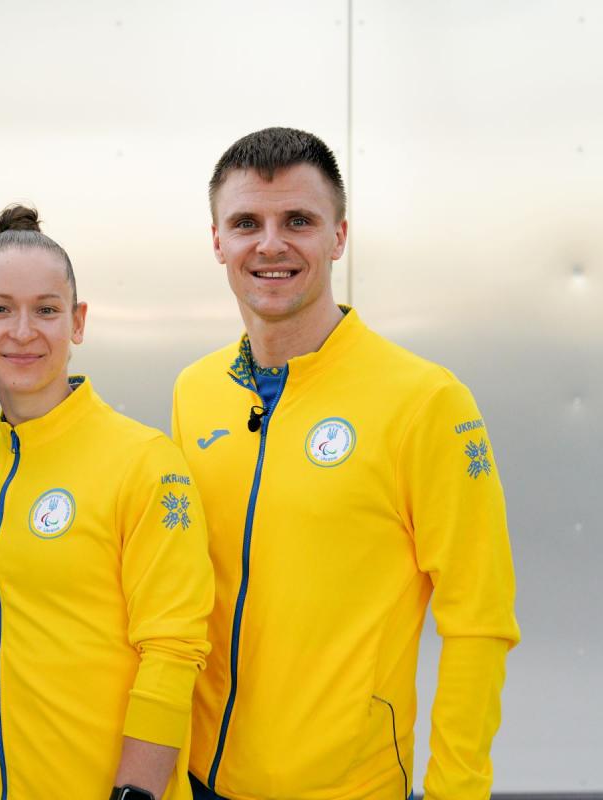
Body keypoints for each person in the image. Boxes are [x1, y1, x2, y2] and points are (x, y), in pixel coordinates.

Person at [173, 127, 520, 800]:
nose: (270, 244)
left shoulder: (426, 401)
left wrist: (456, 789)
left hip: (347, 786)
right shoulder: (195, 392)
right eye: (246, 223)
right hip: (197, 779)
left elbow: (478, 620)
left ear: (338, 236)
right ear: (217, 240)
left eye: (297, 220)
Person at [0, 205, 215, 800]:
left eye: (46, 310)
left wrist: (137, 793)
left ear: (77, 322)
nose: (23, 332)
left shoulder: (144, 461)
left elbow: (174, 649)